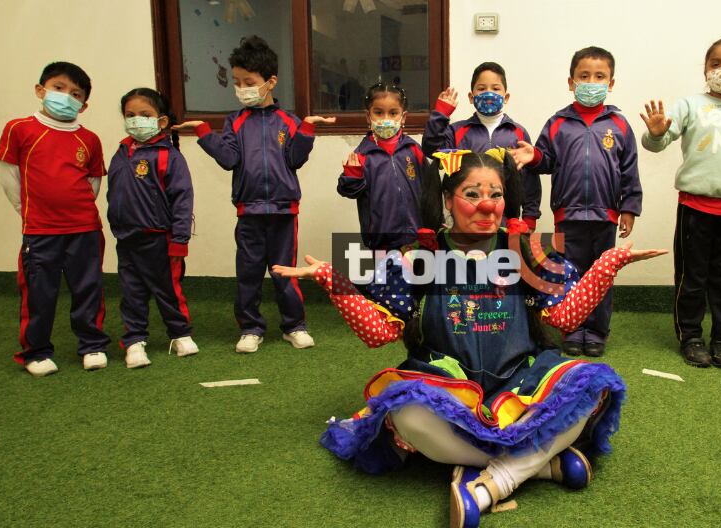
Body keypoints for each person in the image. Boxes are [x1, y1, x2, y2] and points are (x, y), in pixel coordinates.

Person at [273, 149, 665, 527]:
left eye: (496, 195)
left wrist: (607, 266)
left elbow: (565, 317)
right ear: (447, 199)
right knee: (406, 414)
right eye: (473, 194)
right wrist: (332, 280)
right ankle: (540, 466)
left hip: (521, 379)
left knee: (588, 389)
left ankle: (488, 484)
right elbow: (379, 334)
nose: (487, 205)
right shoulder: (414, 257)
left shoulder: (528, 250)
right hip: (448, 385)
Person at [174, 35, 334, 354]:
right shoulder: (236, 121)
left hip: (284, 212)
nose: (242, 87)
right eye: (237, 82)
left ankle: (294, 326)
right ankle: (250, 328)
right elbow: (229, 159)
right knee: (248, 273)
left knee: (283, 272)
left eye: (249, 81)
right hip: (248, 212)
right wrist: (205, 133)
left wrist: (307, 131)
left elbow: (295, 160)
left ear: (270, 81)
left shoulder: (288, 121)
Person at [639, 32, 721, 368]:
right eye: (716, 63)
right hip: (695, 209)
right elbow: (656, 143)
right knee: (692, 276)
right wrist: (655, 132)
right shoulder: (689, 105)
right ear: (705, 70)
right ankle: (692, 337)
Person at [510, 46, 643, 357]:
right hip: (567, 215)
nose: (591, 81)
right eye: (584, 76)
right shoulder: (558, 123)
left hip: (606, 216)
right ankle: (572, 328)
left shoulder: (620, 125)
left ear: (611, 83)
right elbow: (545, 160)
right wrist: (533, 156)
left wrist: (630, 207)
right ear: (571, 82)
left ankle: (596, 332)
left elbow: (629, 170)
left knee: (600, 276)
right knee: (567, 275)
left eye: (599, 76)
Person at [0, 61, 111, 377]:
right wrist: (27, 212)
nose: (66, 97)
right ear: (40, 90)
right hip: (40, 230)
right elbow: (10, 177)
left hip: (85, 228)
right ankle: (36, 352)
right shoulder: (20, 129)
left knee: (88, 287)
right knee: (39, 292)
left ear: (84, 105)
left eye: (75, 94)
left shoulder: (89, 140)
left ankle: (92, 345)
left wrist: (77, 211)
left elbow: (93, 183)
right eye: (59, 88)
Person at [107, 88, 198, 369]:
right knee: (132, 292)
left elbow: (183, 201)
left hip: (161, 239)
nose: (136, 120)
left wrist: (180, 239)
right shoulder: (121, 154)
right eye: (130, 115)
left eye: (144, 115)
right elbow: (114, 194)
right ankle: (134, 341)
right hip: (127, 239)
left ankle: (180, 333)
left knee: (169, 290)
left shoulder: (169, 157)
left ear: (161, 122)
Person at [422, 62, 540, 229]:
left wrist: (530, 217)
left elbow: (529, 178)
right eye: (482, 89)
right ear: (471, 97)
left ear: (506, 97)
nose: (489, 93)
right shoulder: (457, 131)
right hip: (465, 217)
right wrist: (440, 114)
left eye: (496, 88)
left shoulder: (518, 133)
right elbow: (430, 149)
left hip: (504, 218)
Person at [338, 82, 426, 250]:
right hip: (381, 241)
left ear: (403, 117)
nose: (386, 119)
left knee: (420, 276)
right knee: (385, 276)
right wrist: (352, 176)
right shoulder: (362, 155)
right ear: (368, 116)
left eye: (393, 113)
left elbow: (428, 188)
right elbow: (348, 191)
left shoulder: (413, 149)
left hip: (417, 235)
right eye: (379, 112)